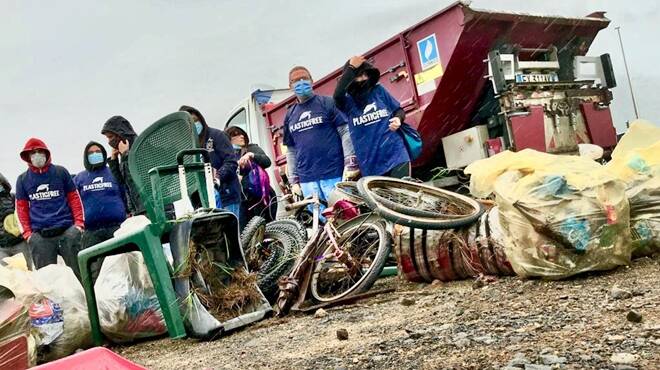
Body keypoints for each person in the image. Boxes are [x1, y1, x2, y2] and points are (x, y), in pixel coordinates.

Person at [283, 65, 358, 205]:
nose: (301, 82)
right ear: (290, 86)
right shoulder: (290, 114)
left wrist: (350, 162)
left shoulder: (327, 103)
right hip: (307, 181)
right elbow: (291, 150)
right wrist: (293, 180)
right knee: (319, 223)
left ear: (312, 80)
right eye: (296, 81)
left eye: (304, 78)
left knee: (343, 219)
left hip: (334, 174)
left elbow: (345, 132)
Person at [15, 138, 85, 278]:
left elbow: (74, 198)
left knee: (80, 272)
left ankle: (87, 297)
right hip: (41, 236)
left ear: (46, 153)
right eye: (33, 152)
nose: (37, 155)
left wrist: (79, 224)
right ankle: (51, 301)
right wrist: (28, 235)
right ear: (28, 156)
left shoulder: (60, 172)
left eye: (40, 151)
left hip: (67, 231)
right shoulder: (23, 179)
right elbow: (21, 208)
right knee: (47, 281)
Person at [333, 56, 411, 178]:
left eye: (366, 75)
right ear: (351, 79)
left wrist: (398, 119)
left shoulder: (378, 90)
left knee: (403, 194)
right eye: (359, 76)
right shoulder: (346, 102)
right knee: (381, 197)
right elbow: (337, 96)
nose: (363, 79)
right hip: (370, 164)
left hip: (396, 155)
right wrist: (351, 68)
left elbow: (398, 110)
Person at [73, 142, 127, 281]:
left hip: (116, 228)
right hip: (91, 232)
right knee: (94, 271)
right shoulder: (79, 178)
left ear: (103, 153)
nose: (95, 154)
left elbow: (125, 193)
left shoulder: (114, 173)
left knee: (121, 265)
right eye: (91, 153)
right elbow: (73, 202)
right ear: (86, 156)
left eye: (98, 151)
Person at [179, 105, 242, 219]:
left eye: (196, 120)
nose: (195, 124)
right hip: (203, 203)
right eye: (190, 122)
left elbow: (231, 162)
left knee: (230, 232)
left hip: (226, 196)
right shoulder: (187, 147)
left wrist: (217, 178)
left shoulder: (216, 135)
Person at [225, 126, 278, 227]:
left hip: (262, 196)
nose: (241, 136)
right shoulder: (228, 155)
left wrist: (251, 155)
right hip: (243, 201)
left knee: (268, 227)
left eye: (242, 134)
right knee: (246, 232)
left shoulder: (251, 148)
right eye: (235, 134)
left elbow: (267, 162)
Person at [101, 116, 143, 215]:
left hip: (147, 207)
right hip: (136, 209)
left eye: (111, 137)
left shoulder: (139, 150)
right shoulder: (125, 154)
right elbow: (121, 183)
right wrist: (113, 161)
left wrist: (125, 156)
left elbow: (133, 180)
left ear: (121, 135)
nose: (109, 142)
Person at [0, 173, 27, 264]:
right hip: (1, 248)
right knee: (5, 275)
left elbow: (25, 214)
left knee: (28, 273)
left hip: (20, 243)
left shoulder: (14, 197)